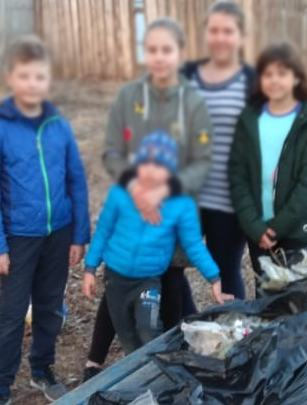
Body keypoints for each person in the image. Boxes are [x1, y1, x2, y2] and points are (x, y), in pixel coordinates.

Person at [82, 17, 212, 379]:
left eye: (167, 50)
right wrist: (136, 188)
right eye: (152, 50)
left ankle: (163, 360)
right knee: (121, 277)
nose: (159, 57)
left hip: (174, 207)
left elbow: (202, 161)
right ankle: (95, 361)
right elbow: (111, 152)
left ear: (179, 53)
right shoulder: (128, 98)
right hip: (133, 203)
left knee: (167, 278)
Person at [0, 36, 89, 405]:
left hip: (59, 232)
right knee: (10, 314)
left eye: (39, 76)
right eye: (24, 76)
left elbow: (76, 178)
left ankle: (43, 369)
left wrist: (79, 234)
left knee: (50, 305)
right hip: (18, 236)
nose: (32, 83)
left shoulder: (59, 125)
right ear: (11, 78)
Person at [82, 132, 226, 353]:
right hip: (116, 278)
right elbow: (103, 232)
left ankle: (158, 370)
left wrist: (214, 277)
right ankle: (138, 378)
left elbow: (193, 245)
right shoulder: (121, 194)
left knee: (149, 329)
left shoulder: (179, 204)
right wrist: (90, 268)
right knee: (128, 338)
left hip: (148, 280)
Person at [228, 42, 307, 284]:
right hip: (260, 237)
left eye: (282, 73)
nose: (274, 80)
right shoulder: (248, 121)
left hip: (302, 234)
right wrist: (256, 228)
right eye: (268, 74)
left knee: (302, 310)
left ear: (297, 77)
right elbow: (237, 178)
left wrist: (277, 229)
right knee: (268, 308)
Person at [182, 0, 254, 299]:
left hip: (231, 196)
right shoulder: (185, 76)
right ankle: (184, 325)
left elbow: (279, 135)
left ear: (240, 36)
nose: (220, 38)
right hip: (187, 193)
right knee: (168, 263)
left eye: (228, 30)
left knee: (225, 268)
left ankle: (232, 337)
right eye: (214, 30)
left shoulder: (254, 82)